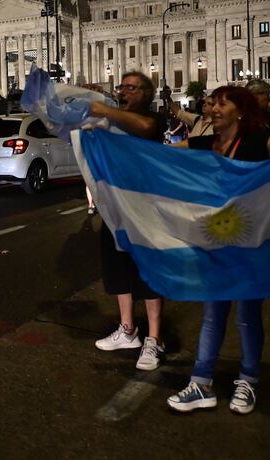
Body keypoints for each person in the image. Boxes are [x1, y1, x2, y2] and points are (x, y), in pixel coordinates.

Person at [166, 85, 270, 415]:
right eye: (213, 104)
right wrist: (108, 143)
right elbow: (162, 154)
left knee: (248, 314)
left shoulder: (259, 142)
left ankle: (248, 379)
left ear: (240, 111)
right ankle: (201, 382)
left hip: (251, 242)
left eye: (223, 104)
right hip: (216, 241)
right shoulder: (206, 144)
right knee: (212, 313)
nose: (214, 109)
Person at [88, 72, 168, 371]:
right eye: (121, 87)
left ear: (146, 94)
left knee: (146, 270)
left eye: (131, 88)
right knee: (117, 266)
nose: (123, 92)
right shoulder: (114, 119)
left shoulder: (152, 119)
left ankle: (155, 339)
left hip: (146, 207)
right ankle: (128, 330)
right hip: (116, 207)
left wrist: (107, 108)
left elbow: (146, 128)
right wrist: (89, 99)